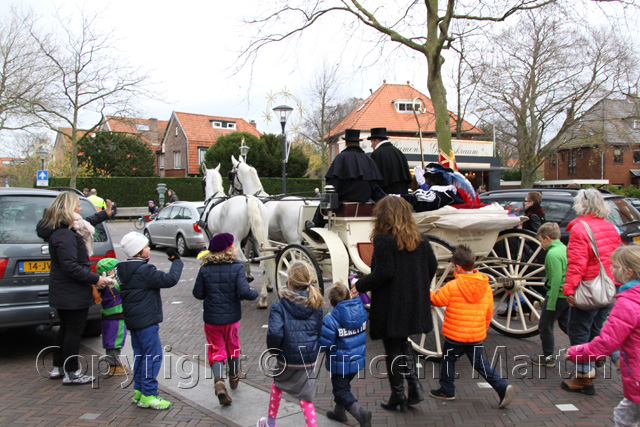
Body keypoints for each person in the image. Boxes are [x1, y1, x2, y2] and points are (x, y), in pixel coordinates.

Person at [354, 196, 437, 412]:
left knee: (392, 347)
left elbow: (384, 272)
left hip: (391, 303)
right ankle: (415, 387)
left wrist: (359, 285)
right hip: (412, 302)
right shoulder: (421, 239)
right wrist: (418, 287)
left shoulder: (384, 240)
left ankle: (398, 394)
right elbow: (432, 265)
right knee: (402, 344)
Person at [36, 191, 112, 385]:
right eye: (78, 205)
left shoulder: (63, 228)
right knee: (73, 331)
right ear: (70, 209)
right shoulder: (66, 235)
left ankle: (58, 367)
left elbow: (86, 222)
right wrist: (95, 279)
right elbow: (71, 267)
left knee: (65, 329)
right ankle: (72, 373)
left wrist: (105, 214)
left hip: (64, 290)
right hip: (72, 291)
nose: (80, 208)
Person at [430, 244, 515, 408]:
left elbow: (437, 300)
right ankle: (502, 386)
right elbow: (489, 311)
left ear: (457, 267)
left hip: (455, 334)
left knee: (448, 360)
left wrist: (426, 291)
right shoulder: (485, 286)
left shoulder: (453, 286)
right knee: (480, 364)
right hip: (475, 334)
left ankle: (447, 389)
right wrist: (483, 328)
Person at [565, 245, 640, 426]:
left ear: (628, 272)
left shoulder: (628, 302)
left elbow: (605, 344)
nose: (610, 269)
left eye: (614, 266)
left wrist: (577, 352)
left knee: (623, 417)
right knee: (624, 414)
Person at [562, 188, 621, 395]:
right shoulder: (611, 228)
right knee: (600, 331)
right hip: (609, 289)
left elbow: (577, 264)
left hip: (588, 290)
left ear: (582, 205)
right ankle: (625, 364)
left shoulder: (580, 229)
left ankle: (583, 378)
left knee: (579, 332)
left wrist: (569, 289)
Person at [116, 232, 184, 410]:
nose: (148, 249)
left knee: (139, 356)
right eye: (145, 247)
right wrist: (177, 261)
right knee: (153, 356)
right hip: (146, 321)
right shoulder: (145, 270)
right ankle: (149, 394)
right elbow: (170, 280)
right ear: (138, 252)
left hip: (133, 321)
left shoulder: (121, 269)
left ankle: (138, 391)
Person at [192, 233, 258, 406]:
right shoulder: (237, 267)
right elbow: (244, 292)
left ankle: (219, 381)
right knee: (233, 345)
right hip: (232, 318)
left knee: (216, 349)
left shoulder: (204, 268)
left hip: (212, 319)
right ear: (229, 249)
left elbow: (197, 293)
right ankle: (234, 375)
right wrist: (254, 293)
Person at [257, 261, 324, 427]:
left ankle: (271, 422)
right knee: (305, 398)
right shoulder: (317, 305)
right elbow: (318, 332)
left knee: (277, 385)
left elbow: (274, 333)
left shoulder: (279, 307)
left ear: (289, 282)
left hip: (286, 357)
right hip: (308, 358)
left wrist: (275, 351)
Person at [307, 129, 382, 231]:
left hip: (344, 203)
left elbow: (333, 186)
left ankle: (316, 228)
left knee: (323, 203)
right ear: (358, 143)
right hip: (366, 203)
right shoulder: (368, 159)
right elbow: (374, 185)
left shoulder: (340, 158)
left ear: (346, 142)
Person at [318, 282, 371, 426]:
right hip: (357, 360)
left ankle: (359, 412)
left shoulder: (331, 319)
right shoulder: (360, 310)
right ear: (349, 296)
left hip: (339, 363)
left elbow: (323, 343)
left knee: (341, 391)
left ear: (331, 302)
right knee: (343, 386)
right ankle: (339, 412)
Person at [531, 223, 569, 368]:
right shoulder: (564, 249)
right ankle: (589, 350)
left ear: (547, 238)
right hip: (567, 295)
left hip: (557, 295)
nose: (541, 245)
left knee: (545, 326)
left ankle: (548, 357)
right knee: (567, 326)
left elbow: (556, 280)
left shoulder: (552, 254)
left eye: (541, 241)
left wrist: (550, 302)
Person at [96, 258, 128, 376]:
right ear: (109, 272)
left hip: (110, 315)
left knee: (114, 339)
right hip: (115, 315)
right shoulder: (112, 284)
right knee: (115, 340)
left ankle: (116, 362)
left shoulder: (104, 285)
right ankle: (113, 365)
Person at [400, 164, 464, 212]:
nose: (427, 182)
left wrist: (398, 198)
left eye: (428, 179)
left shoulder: (444, 193)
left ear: (436, 180)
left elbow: (422, 203)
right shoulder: (446, 192)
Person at [368, 127, 411, 195]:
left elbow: (374, 179)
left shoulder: (376, 154)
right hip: (402, 195)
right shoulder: (399, 152)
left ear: (376, 140)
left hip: (386, 196)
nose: (371, 145)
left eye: (372, 142)